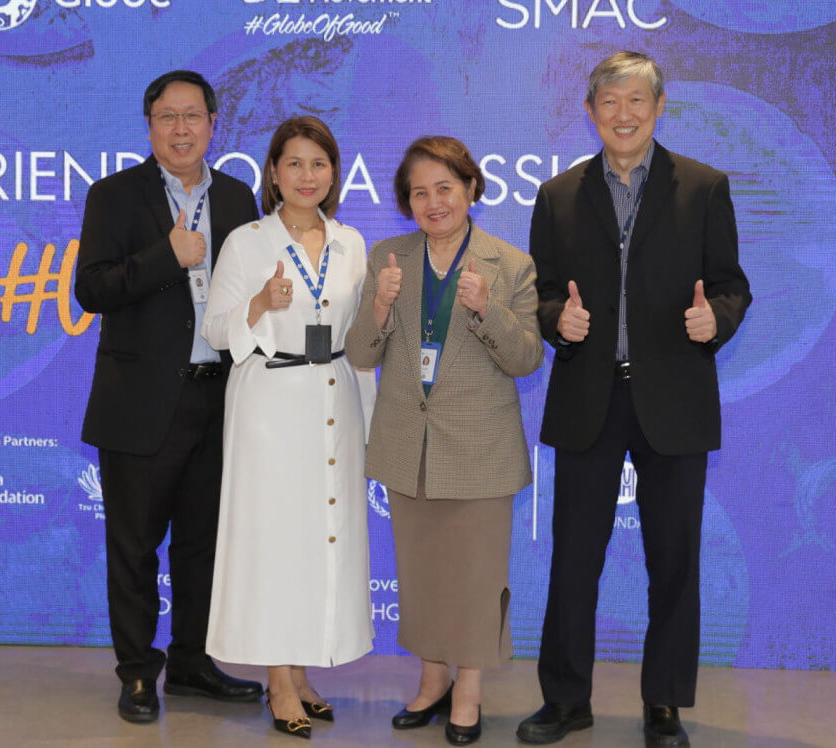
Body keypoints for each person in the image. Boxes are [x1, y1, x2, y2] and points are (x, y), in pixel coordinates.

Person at [516, 52, 751, 747]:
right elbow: (543, 292)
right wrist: (557, 319)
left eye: (636, 102)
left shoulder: (704, 188)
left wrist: (719, 323)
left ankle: (665, 705)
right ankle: (565, 701)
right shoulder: (557, 195)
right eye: (609, 102)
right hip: (590, 397)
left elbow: (732, 285)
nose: (623, 115)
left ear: (659, 106)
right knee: (573, 558)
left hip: (674, 398)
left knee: (674, 559)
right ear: (590, 111)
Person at [74, 70, 264, 723]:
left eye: (192, 116)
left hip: (221, 401)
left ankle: (191, 663)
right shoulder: (115, 196)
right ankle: (136, 674)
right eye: (166, 117)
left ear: (214, 123)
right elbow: (92, 290)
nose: (180, 129)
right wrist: (167, 256)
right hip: (141, 402)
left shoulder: (240, 199)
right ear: (149, 125)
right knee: (133, 547)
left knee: (203, 545)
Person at [345, 136, 545, 746]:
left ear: (472, 190)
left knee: (477, 578)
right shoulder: (389, 256)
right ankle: (431, 681)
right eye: (420, 192)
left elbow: (527, 359)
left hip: (480, 448)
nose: (434, 203)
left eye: (446, 189)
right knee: (423, 573)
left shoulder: (509, 264)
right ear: (407, 202)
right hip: (410, 445)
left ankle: (469, 691)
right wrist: (378, 308)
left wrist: (488, 310)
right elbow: (359, 353)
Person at [202, 116, 374, 740]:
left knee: (321, 538)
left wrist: (373, 420)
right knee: (276, 540)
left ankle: (301, 672)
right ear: (273, 172)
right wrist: (259, 306)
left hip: (335, 397)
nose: (308, 176)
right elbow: (217, 331)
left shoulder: (353, 243)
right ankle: (278, 680)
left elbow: (360, 339)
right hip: (269, 403)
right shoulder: (247, 241)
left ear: (335, 172)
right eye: (295, 163)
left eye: (320, 164)